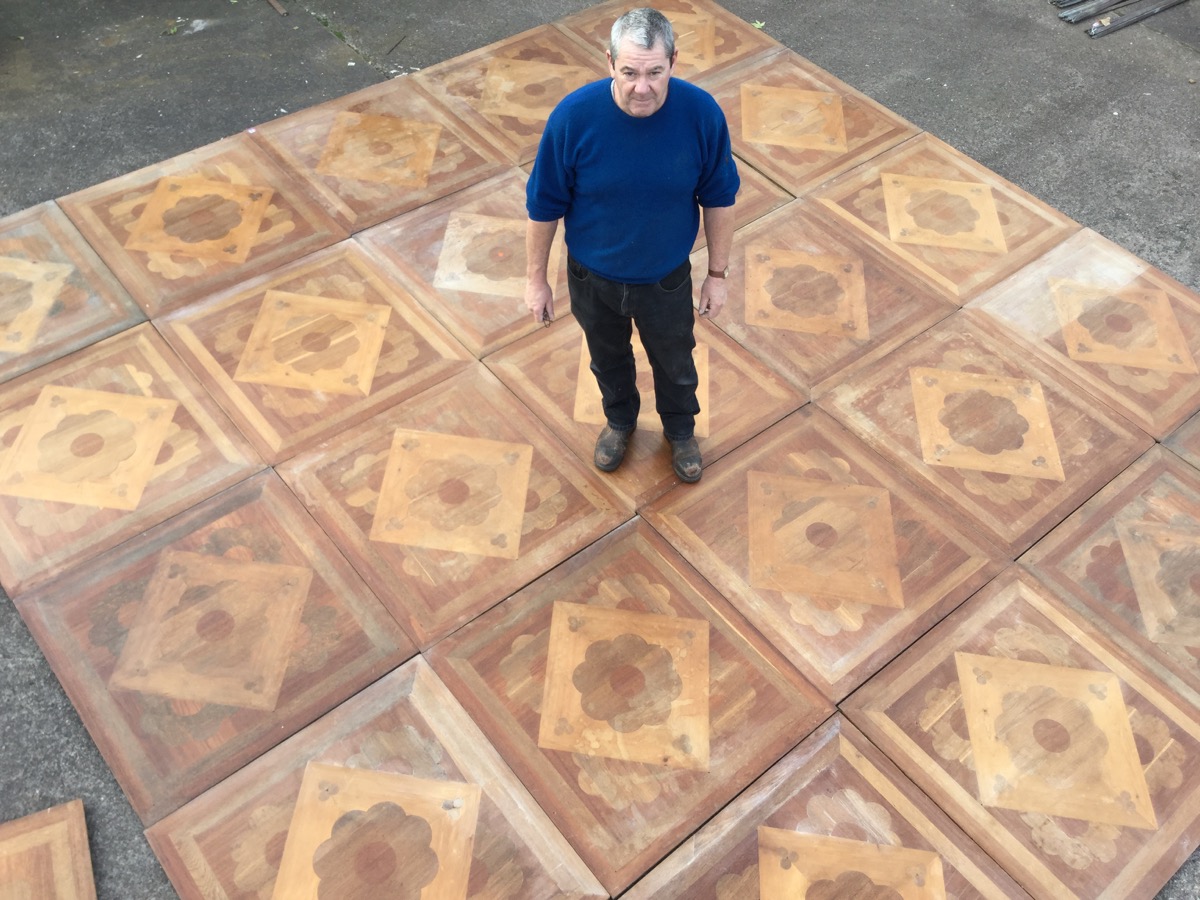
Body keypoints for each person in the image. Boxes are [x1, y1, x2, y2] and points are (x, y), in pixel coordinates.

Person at [523, 6, 739, 483]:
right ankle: (620, 421)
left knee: (676, 362)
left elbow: (720, 199)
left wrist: (717, 276)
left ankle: (681, 431)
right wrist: (536, 280)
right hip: (590, 277)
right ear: (609, 63)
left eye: (655, 72)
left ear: (674, 63)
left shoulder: (702, 114)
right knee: (606, 358)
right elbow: (543, 206)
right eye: (630, 72)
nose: (642, 87)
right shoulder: (573, 119)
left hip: (664, 280)